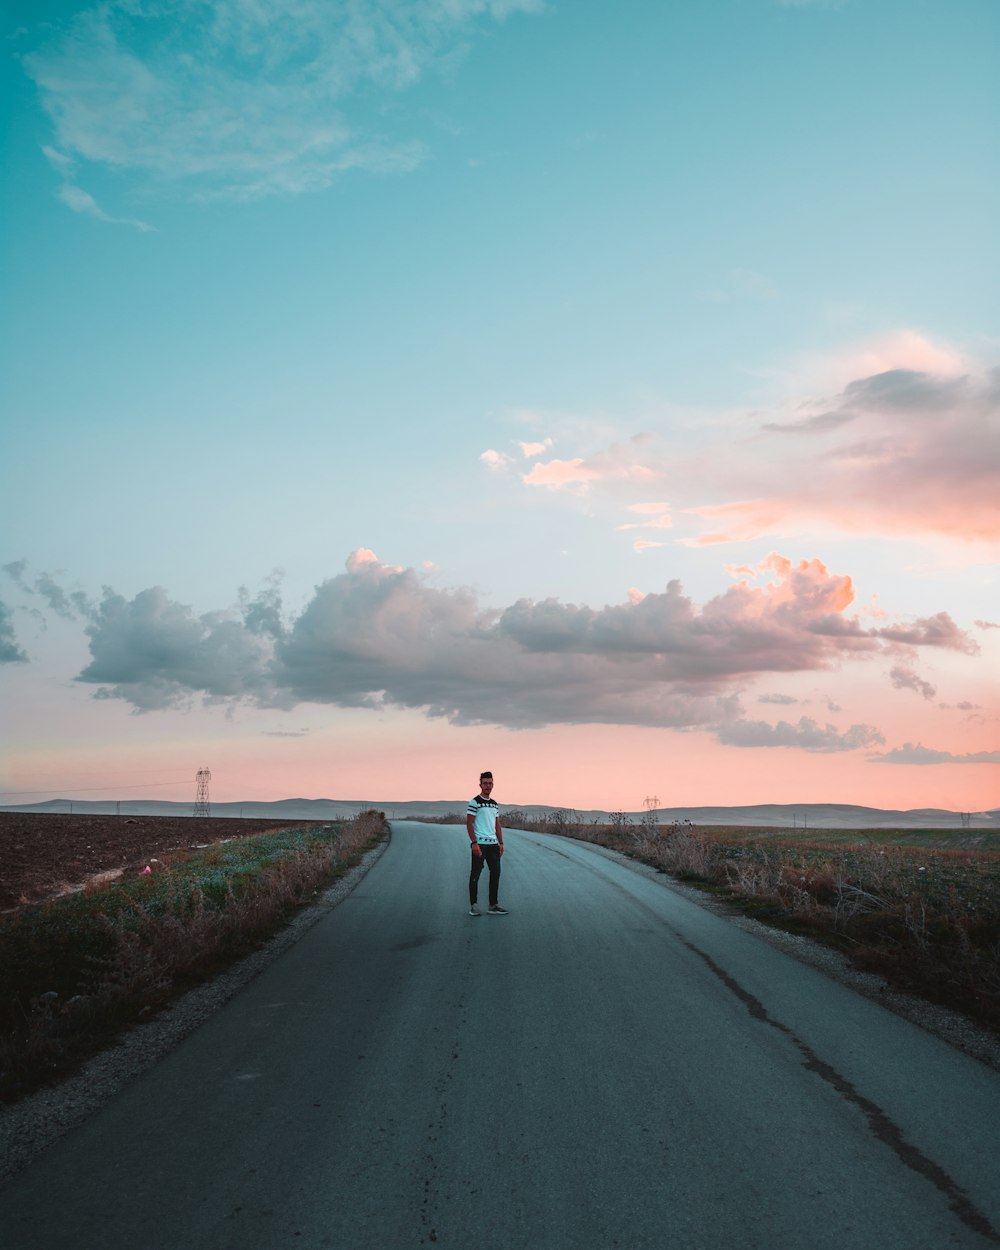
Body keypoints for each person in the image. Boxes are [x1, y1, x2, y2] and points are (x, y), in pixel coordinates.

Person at [466, 771, 507, 916]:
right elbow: (469, 824)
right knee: (475, 874)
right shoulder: (474, 802)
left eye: (490, 783)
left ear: (493, 785)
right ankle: (474, 906)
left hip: (493, 845)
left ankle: (493, 905)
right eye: (485, 783)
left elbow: (497, 825)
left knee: (496, 873)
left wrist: (501, 843)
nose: (488, 786)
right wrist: (474, 843)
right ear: (480, 785)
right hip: (480, 844)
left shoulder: (494, 804)